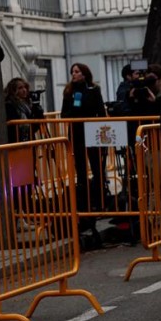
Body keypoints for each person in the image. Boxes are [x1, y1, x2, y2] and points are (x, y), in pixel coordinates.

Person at [61, 63, 107, 246]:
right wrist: (74, 109)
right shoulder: (69, 91)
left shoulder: (94, 89)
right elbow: (65, 114)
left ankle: (100, 200)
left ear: (85, 74)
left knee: (97, 166)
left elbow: (100, 111)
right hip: (77, 132)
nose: (74, 74)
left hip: (92, 131)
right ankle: (84, 201)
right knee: (80, 168)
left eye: (77, 71)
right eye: (72, 71)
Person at [4, 77, 44, 142]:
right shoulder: (10, 105)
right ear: (13, 91)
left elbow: (33, 127)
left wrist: (37, 113)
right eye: (20, 88)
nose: (24, 90)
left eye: (25, 87)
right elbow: (14, 128)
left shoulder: (27, 104)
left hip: (29, 140)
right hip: (18, 141)